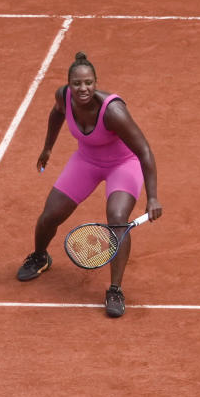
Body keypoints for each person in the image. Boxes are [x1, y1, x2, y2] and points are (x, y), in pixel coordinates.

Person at [16, 51, 162, 317]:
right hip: (86, 161)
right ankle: (40, 256)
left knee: (117, 218)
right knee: (50, 215)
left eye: (88, 83)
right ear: (69, 84)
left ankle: (115, 290)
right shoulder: (64, 97)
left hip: (123, 164)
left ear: (95, 83)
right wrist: (48, 148)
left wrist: (152, 197)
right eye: (77, 83)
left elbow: (144, 151)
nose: (83, 88)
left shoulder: (113, 111)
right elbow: (56, 114)